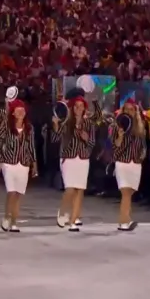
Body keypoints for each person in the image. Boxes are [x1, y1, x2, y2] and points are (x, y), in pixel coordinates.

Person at [52, 95, 96, 232]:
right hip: (68, 158)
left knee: (79, 189)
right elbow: (55, 138)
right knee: (70, 188)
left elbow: (92, 143)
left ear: (84, 108)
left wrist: (86, 138)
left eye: (81, 106)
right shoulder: (66, 121)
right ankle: (63, 211)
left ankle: (73, 220)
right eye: (76, 106)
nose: (78, 108)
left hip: (83, 158)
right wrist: (55, 125)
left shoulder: (89, 124)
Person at [0, 99, 37, 233]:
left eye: (23, 109)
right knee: (11, 191)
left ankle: (14, 221)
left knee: (18, 193)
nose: (21, 112)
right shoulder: (6, 127)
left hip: (24, 163)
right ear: (13, 112)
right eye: (18, 109)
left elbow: (31, 147)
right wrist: (3, 151)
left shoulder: (29, 129)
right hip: (9, 162)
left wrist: (34, 164)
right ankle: (7, 216)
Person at [113, 100, 147, 231]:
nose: (129, 112)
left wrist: (141, 157)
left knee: (130, 192)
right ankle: (124, 221)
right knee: (126, 192)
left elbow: (143, 145)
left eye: (132, 109)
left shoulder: (140, 126)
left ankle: (125, 219)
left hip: (136, 163)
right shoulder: (118, 126)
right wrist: (120, 137)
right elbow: (115, 148)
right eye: (126, 109)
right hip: (123, 162)